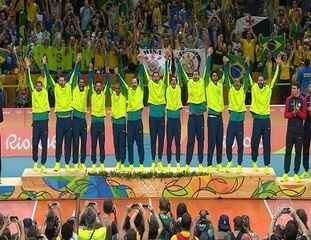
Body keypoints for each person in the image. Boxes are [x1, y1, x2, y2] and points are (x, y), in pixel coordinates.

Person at [44, 55, 80, 172]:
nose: (61, 82)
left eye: (63, 80)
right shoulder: (55, 87)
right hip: (60, 120)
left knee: (68, 143)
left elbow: (74, 73)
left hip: (69, 120)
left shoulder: (70, 86)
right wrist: (45, 64)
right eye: (59, 80)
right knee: (59, 142)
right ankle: (58, 163)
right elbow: (49, 77)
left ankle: (67, 163)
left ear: (65, 80)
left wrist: (78, 62)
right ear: (58, 81)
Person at [249, 55, 282, 174]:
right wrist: (247, 65)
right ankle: (254, 162)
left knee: (267, 143)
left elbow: (275, 78)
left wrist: (278, 65)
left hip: (266, 119)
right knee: (255, 142)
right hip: (257, 119)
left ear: (264, 81)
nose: (261, 82)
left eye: (262, 80)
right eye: (259, 80)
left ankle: (267, 164)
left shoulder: (268, 88)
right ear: (257, 81)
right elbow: (248, 76)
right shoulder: (253, 88)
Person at [176, 51, 208, 172]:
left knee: (201, 140)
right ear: (192, 76)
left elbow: (207, 70)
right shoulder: (189, 82)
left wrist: (209, 56)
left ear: (199, 75)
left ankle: (200, 163)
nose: (195, 76)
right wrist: (178, 61)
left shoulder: (202, 82)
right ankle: (188, 163)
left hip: (200, 117)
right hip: (192, 118)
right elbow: (182, 73)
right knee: (190, 141)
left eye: (196, 74)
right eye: (193, 74)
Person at [140, 60, 167, 171]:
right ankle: (152, 161)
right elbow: (145, 73)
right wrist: (141, 62)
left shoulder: (163, 84)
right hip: (152, 117)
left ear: (159, 77)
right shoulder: (150, 84)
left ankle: (159, 161)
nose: (156, 78)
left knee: (161, 139)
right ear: (152, 78)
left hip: (161, 116)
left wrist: (167, 60)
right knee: (152, 139)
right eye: (154, 76)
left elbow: (166, 74)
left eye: (157, 76)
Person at [206, 48, 229, 173]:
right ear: (211, 77)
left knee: (220, 141)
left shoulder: (220, 84)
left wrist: (225, 64)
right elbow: (207, 72)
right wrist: (209, 57)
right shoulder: (208, 85)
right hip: (211, 118)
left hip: (220, 118)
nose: (215, 77)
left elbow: (224, 75)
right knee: (212, 142)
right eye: (213, 75)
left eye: (216, 75)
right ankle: (209, 164)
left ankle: (219, 163)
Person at [26, 58, 50, 173]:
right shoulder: (33, 92)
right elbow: (28, 80)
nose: (39, 87)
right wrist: (28, 68)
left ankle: (43, 164)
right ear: (35, 87)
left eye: (40, 85)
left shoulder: (45, 90)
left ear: (42, 86)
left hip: (44, 120)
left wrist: (44, 64)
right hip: (36, 121)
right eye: (37, 86)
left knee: (44, 144)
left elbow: (46, 77)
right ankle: (35, 162)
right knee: (35, 143)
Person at [117, 71, 145, 172]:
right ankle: (131, 164)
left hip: (138, 122)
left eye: (135, 82)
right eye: (132, 82)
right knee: (130, 144)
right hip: (130, 123)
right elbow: (122, 83)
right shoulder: (128, 90)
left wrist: (141, 62)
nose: (134, 84)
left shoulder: (140, 90)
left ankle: (141, 164)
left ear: (138, 83)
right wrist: (117, 74)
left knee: (140, 144)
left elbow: (141, 75)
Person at [225, 63, 249, 173]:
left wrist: (247, 67)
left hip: (240, 122)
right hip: (232, 122)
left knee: (240, 145)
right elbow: (226, 78)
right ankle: (230, 161)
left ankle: (239, 163)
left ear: (241, 83)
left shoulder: (243, 90)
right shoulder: (231, 90)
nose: (237, 83)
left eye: (239, 82)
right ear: (233, 83)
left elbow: (247, 81)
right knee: (229, 143)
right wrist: (226, 65)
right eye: (235, 82)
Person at [282, 83, 307, 182]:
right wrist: (293, 113)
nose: (292, 90)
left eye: (294, 88)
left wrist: (298, 112)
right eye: (292, 88)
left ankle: (296, 173)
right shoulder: (288, 99)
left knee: (298, 153)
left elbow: (304, 116)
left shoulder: (303, 100)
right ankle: (286, 173)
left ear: (298, 89)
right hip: (290, 131)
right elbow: (285, 115)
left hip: (300, 132)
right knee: (287, 152)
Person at [88, 65, 108, 173]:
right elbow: (90, 79)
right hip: (94, 124)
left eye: (100, 86)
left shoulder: (104, 93)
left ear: (102, 87)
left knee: (102, 144)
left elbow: (108, 81)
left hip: (101, 124)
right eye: (97, 86)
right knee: (94, 144)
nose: (98, 87)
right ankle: (94, 164)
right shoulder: (92, 93)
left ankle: (102, 163)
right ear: (95, 87)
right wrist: (91, 70)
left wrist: (108, 72)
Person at [71, 53, 89, 171]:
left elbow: (91, 78)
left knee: (83, 143)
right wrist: (78, 62)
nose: (81, 84)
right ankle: (74, 162)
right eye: (80, 83)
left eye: (83, 83)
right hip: (75, 119)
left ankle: (82, 162)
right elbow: (76, 75)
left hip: (83, 120)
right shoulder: (74, 88)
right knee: (75, 142)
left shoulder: (86, 90)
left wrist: (91, 70)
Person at [166, 61, 182, 172]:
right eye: (171, 81)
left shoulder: (179, 89)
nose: (173, 82)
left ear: (177, 82)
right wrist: (168, 63)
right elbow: (167, 76)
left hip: (177, 120)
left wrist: (177, 64)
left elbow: (179, 75)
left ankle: (177, 162)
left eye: (175, 81)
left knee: (177, 142)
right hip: (170, 120)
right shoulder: (167, 89)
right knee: (169, 142)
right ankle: (168, 163)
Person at [108, 80, 127, 171]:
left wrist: (118, 74)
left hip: (122, 123)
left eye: (119, 88)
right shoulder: (112, 96)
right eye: (116, 88)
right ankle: (118, 161)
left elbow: (123, 83)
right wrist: (108, 71)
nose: (117, 90)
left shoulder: (124, 96)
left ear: (121, 89)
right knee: (116, 143)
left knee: (122, 144)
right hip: (115, 123)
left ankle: (122, 163)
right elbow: (108, 81)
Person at [302, 83, 311, 178]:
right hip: (307, 126)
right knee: (305, 149)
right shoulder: (305, 99)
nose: (310, 88)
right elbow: (303, 113)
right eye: (309, 86)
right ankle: (305, 170)